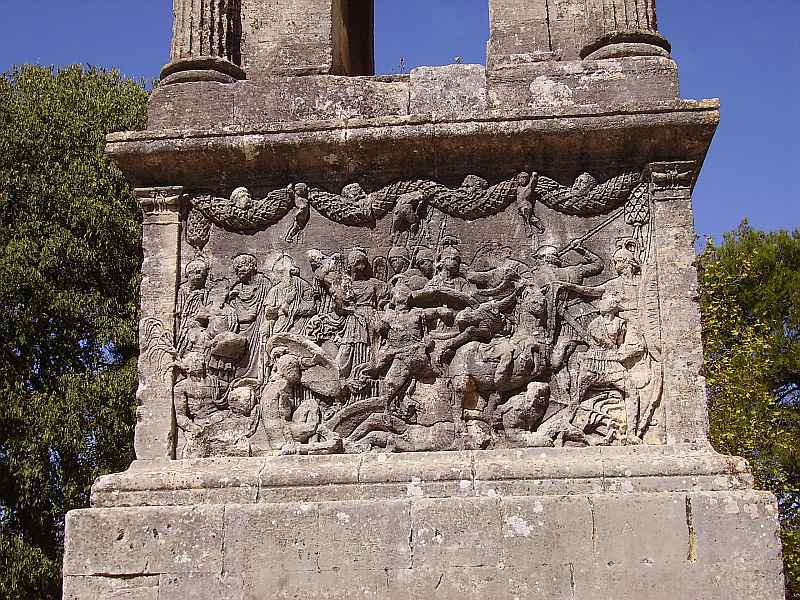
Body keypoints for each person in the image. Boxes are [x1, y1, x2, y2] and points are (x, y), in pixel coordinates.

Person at [176, 259, 210, 355]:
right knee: (185, 341)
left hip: (200, 322)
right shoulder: (183, 289)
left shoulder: (205, 291)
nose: (197, 277)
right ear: (188, 275)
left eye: (201, 276)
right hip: (187, 321)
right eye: (194, 274)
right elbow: (180, 311)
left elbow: (206, 307)